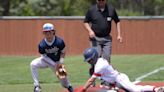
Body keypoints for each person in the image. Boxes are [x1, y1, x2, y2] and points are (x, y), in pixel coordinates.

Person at [78, 47, 164, 92]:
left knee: (135, 90)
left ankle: (155, 89)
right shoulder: (99, 62)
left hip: (120, 79)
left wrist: (84, 89)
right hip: (115, 82)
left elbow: (91, 80)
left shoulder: (99, 65)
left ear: (94, 57)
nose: (89, 62)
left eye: (89, 60)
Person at [83, 0, 122, 85]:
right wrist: (90, 31)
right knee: (95, 59)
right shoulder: (92, 10)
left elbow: (117, 21)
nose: (101, 2)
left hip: (107, 39)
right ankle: (92, 75)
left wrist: (119, 35)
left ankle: (104, 81)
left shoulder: (111, 9)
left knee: (106, 59)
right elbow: (85, 22)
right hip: (95, 38)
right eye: (99, 0)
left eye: (103, 0)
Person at [30, 23, 73, 92]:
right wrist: (53, 64)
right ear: (43, 33)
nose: (48, 33)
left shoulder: (59, 41)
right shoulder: (42, 45)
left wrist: (61, 61)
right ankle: (37, 86)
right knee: (33, 64)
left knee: (64, 83)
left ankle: (69, 86)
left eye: (50, 31)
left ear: (53, 31)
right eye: (46, 32)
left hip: (57, 62)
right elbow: (43, 56)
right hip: (46, 61)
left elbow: (63, 51)